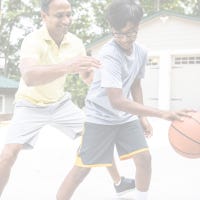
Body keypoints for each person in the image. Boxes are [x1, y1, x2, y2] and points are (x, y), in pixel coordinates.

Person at [56, 0, 193, 200]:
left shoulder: (141, 52)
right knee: (82, 169)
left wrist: (141, 116)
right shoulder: (110, 54)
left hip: (125, 117)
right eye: (118, 33)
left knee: (144, 158)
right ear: (112, 28)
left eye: (130, 33)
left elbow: (135, 83)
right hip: (99, 118)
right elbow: (117, 101)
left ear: (138, 26)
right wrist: (163, 113)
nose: (124, 39)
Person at [0, 0, 134, 197]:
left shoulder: (75, 43)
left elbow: (87, 77)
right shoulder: (32, 40)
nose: (66, 20)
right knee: (8, 154)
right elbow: (29, 76)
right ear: (44, 16)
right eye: (59, 15)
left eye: (69, 14)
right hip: (29, 104)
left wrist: (105, 76)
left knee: (95, 135)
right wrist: (68, 66)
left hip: (60, 103)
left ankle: (119, 182)